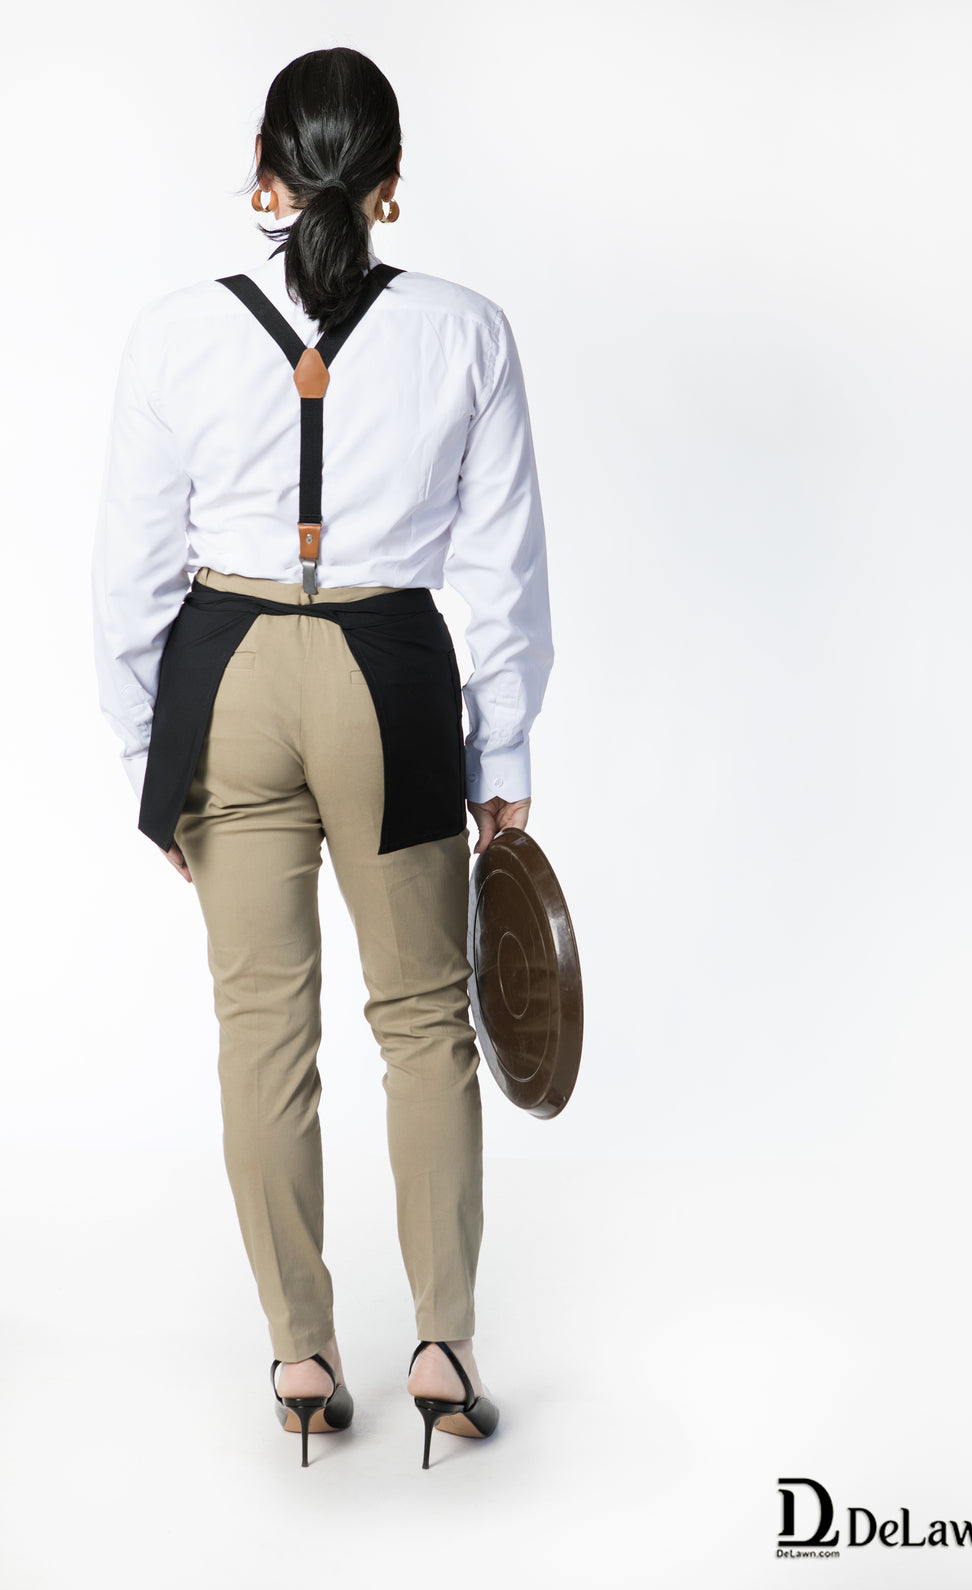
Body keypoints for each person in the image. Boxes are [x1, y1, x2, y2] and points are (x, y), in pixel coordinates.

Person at [91, 46, 553, 1470]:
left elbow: (129, 576)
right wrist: (503, 751)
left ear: (266, 169)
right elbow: (504, 571)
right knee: (424, 1020)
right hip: (389, 672)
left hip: (224, 674)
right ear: (392, 182)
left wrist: (151, 759)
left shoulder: (175, 332)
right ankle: (444, 1346)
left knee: (261, 1030)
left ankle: (299, 1353)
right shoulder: (468, 332)